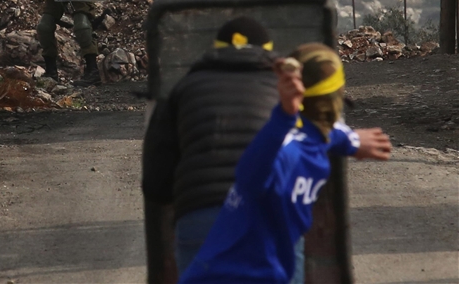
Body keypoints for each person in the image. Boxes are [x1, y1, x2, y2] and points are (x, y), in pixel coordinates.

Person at [141, 17, 392, 283]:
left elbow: (157, 183)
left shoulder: (181, 89)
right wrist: (350, 139)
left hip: (200, 215)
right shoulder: (288, 91)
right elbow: (313, 131)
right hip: (272, 222)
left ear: (216, 49)